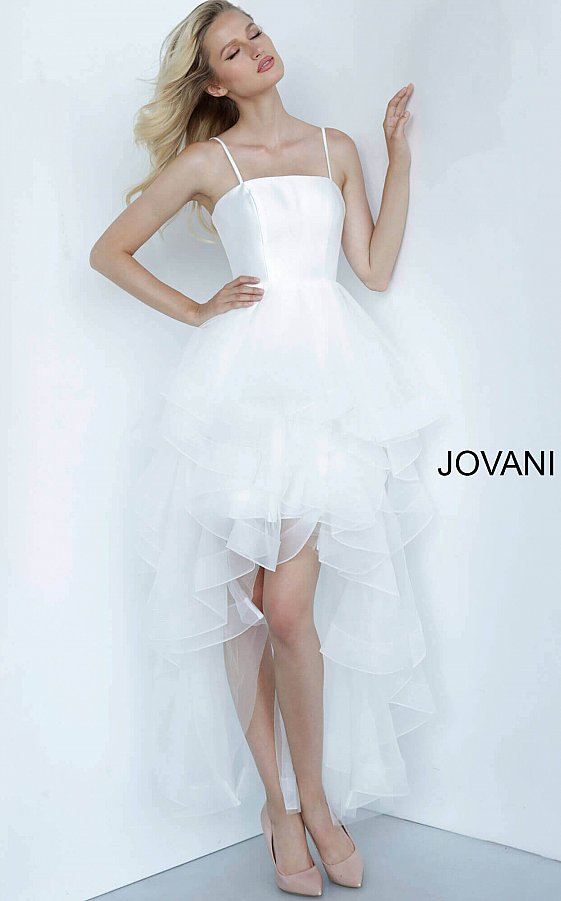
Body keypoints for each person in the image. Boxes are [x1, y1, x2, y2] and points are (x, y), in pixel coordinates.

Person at [90, 2, 447, 895]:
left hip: (327, 384)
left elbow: (372, 269)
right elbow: (110, 252)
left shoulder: (334, 148)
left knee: (286, 609)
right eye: (232, 48)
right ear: (213, 82)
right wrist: (196, 309)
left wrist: (397, 157)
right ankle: (278, 807)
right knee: (245, 605)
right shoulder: (209, 162)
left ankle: (316, 803)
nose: (255, 48)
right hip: (240, 390)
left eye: (253, 31)